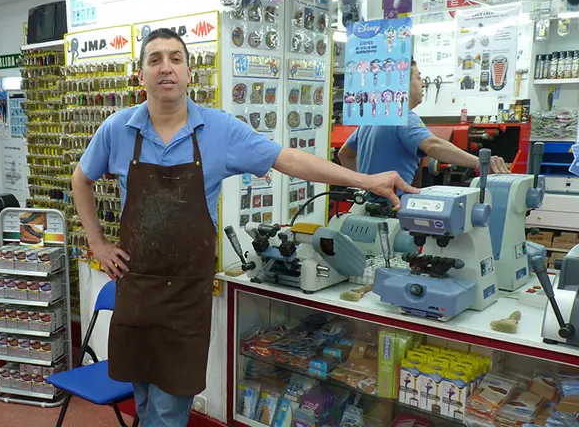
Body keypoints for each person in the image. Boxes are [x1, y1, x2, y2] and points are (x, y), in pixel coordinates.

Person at [71, 28, 418, 427]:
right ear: (141, 73)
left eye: (175, 58)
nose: (165, 67)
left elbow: (288, 159)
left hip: (185, 297)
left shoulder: (219, 130)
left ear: (189, 73)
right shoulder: (117, 130)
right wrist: (96, 242)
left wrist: (366, 180)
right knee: (146, 401)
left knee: (166, 413)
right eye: (154, 59)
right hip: (137, 292)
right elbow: (82, 178)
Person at [337, 60, 510, 187]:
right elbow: (433, 145)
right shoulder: (404, 117)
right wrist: (480, 162)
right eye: (418, 77)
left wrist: (362, 185)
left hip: (367, 205)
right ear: (403, 83)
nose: (423, 83)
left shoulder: (374, 117)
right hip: (393, 209)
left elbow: (345, 154)